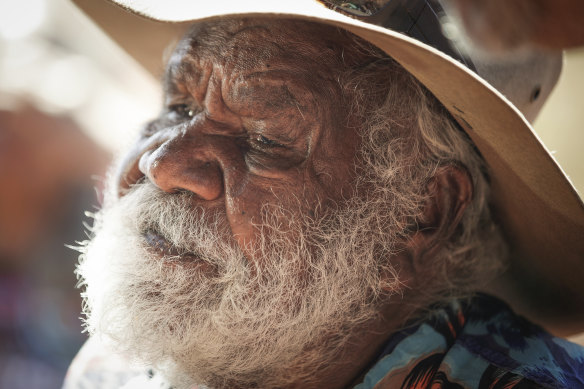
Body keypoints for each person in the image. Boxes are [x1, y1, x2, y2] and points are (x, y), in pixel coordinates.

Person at [65, 1, 584, 388]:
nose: (163, 163)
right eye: (177, 107)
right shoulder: (115, 369)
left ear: (424, 215)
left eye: (265, 138)